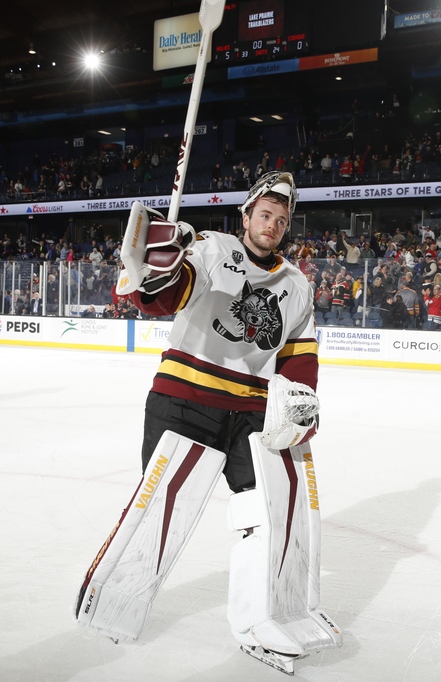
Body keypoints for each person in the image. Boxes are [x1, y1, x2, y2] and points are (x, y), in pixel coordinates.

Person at [111, 171, 338, 667]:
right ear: (247, 215)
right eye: (265, 214)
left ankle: (257, 617)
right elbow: (163, 298)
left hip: (252, 414)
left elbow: (299, 353)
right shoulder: (211, 248)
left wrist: (302, 400)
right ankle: (121, 595)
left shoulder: (296, 285)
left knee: (265, 512)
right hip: (184, 399)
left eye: (281, 219)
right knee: (160, 509)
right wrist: (156, 267)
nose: (272, 224)